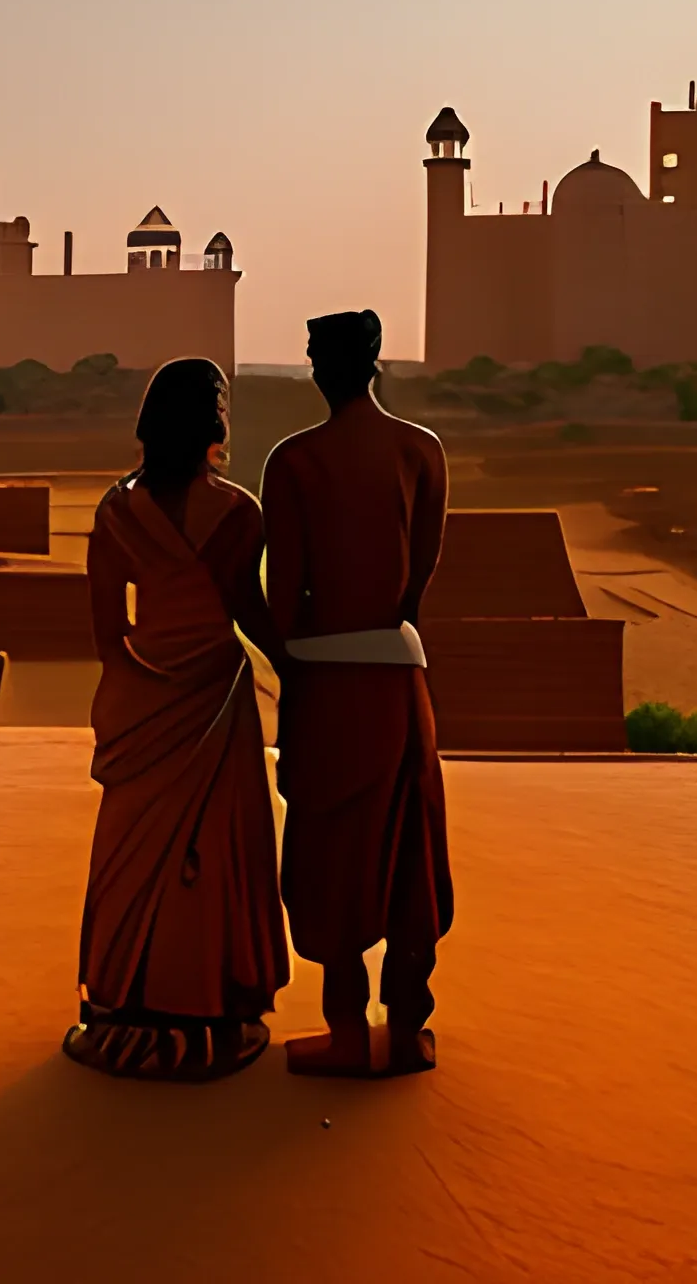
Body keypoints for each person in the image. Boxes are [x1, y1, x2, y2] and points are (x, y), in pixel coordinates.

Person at [61, 357, 289, 1082]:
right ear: (211, 419)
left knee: (133, 853)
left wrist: (138, 679)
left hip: (142, 695)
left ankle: (125, 998)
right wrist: (304, 664)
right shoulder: (238, 512)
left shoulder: (115, 510)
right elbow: (248, 614)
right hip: (213, 698)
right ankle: (207, 1003)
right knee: (214, 854)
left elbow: (106, 632)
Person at [262, 309, 454, 1077]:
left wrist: (297, 670)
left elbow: (286, 597)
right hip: (400, 679)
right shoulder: (421, 450)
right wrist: (386, 635)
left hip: (329, 679)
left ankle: (349, 1033)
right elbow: (422, 574)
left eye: (317, 353)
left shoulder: (295, 460)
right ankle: (406, 1029)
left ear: (338, 363)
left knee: (331, 848)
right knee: (410, 844)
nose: (313, 364)